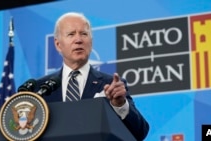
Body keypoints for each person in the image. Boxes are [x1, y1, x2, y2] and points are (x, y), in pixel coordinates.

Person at [33, 12, 149, 140]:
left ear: (91, 42)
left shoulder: (111, 85)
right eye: (71, 34)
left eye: (84, 34)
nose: (78, 40)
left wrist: (120, 105)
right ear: (58, 44)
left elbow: (140, 132)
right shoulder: (39, 90)